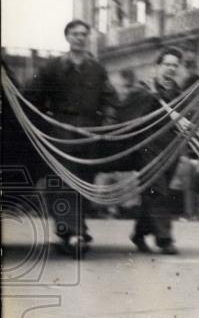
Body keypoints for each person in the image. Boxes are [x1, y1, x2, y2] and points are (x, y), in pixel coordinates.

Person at [25, 19, 118, 255]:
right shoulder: (52, 68)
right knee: (64, 181)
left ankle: (73, 230)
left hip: (88, 132)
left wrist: (107, 120)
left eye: (84, 34)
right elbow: (31, 96)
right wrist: (45, 121)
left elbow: (109, 98)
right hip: (60, 131)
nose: (80, 37)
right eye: (75, 34)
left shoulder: (97, 69)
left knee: (84, 181)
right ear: (67, 37)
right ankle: (73, 232)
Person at [119, 48, 184, 255]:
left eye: (175, 65)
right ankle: (164, 240)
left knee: (153, 193)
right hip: (148, 149)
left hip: (171, 149)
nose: (171, 69)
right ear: (157, 67)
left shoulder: (180, 93)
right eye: (167, 65)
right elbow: (129, 118)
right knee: (159, 190)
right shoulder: (143, 90)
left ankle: (139, 233)